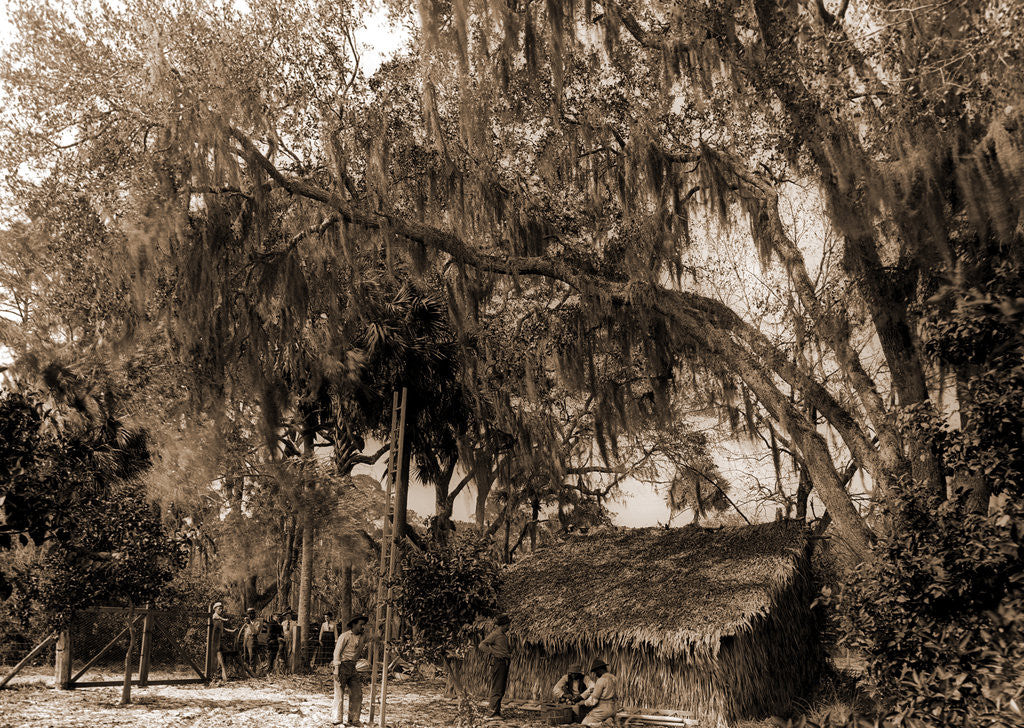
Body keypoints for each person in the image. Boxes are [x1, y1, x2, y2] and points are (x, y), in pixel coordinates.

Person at [332, 614, 370, 726]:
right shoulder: (344, 636)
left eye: (363, 625)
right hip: (342, 666)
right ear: (353, 625)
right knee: (339, 694)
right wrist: (336, 669)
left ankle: (354, 719)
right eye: (360, 625)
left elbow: (375, 638)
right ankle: (337, 720)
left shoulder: (363, 636)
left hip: (353, 667)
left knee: (357, 694)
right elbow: (337, 652)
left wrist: (381, 629)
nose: (362, 627)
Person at [478, 615, 511, 719]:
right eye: (507, 625)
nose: (508, 627)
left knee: (500, 688)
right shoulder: (495, 634)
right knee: (497, 688)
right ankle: (492, 713)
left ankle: (496, 712)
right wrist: (493, 653)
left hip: (503, 663)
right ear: (503, 625)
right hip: (498, 663)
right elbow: (482, 645)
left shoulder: (503, 635)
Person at [579, 659, 618, 726]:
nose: (596, 674)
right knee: (604, 723)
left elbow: (593, 701)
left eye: (596, 672)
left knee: (584, 724)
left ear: (600, 669)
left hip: (603, 709)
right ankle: (608, 722)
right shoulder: (614, 678)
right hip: (614, 708)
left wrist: (583, 703)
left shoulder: (601, 680)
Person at [210, 601, 236, 682]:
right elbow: (215, 617)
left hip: (220, 641)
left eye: (221, 609)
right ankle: (216, 675)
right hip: (214, 641)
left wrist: (232, 631)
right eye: (219, 609)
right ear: (215, 609)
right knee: (215, 658)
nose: (221, 610)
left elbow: (223, 629)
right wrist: (224, 619)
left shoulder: (219, 620)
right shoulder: (215, 617)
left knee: (226, 653)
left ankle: (221, 673)